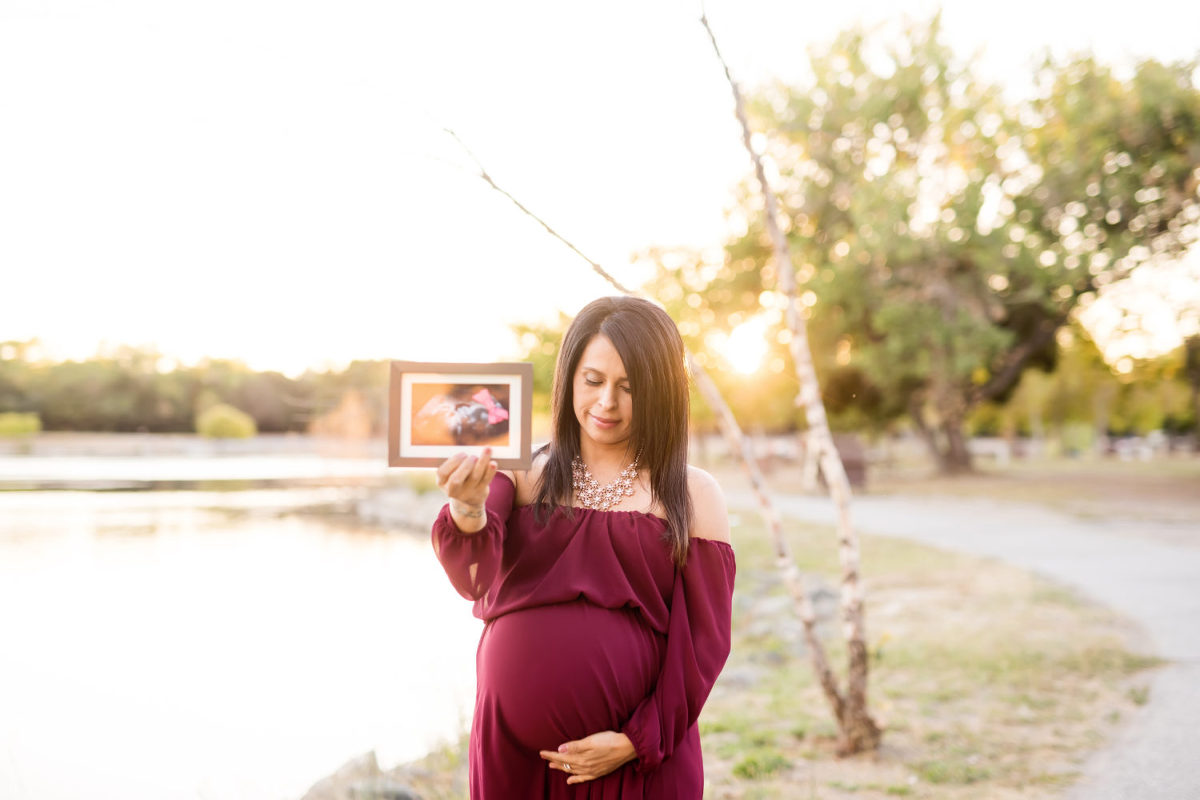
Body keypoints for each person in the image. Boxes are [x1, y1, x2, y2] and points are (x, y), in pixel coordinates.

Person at [431, 296, 736, 798]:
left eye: (629, 387)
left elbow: (704, 646)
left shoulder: (693, 493)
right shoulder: (521, 470)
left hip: (636, 764)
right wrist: (467, 508)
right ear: (569, 377)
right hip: (514, 758)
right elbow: (472, 579)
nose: (606, 403)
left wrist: (636, 741)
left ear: (661, 392)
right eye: (593, 381)